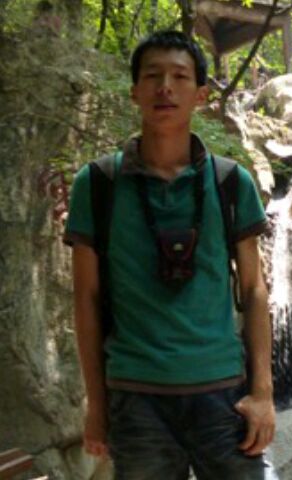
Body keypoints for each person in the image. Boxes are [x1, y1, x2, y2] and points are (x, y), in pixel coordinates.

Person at [64, 30, 278, 479]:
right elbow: (86, 298)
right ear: (134, 91)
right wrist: (96, 406)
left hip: (225, 395)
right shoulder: (97, 184)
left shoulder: (230, 183)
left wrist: (263, 393)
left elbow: (254, 289)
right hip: (136, 398)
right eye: (152, 76)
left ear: (201, 94)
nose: (165, 87)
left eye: (180, 76)